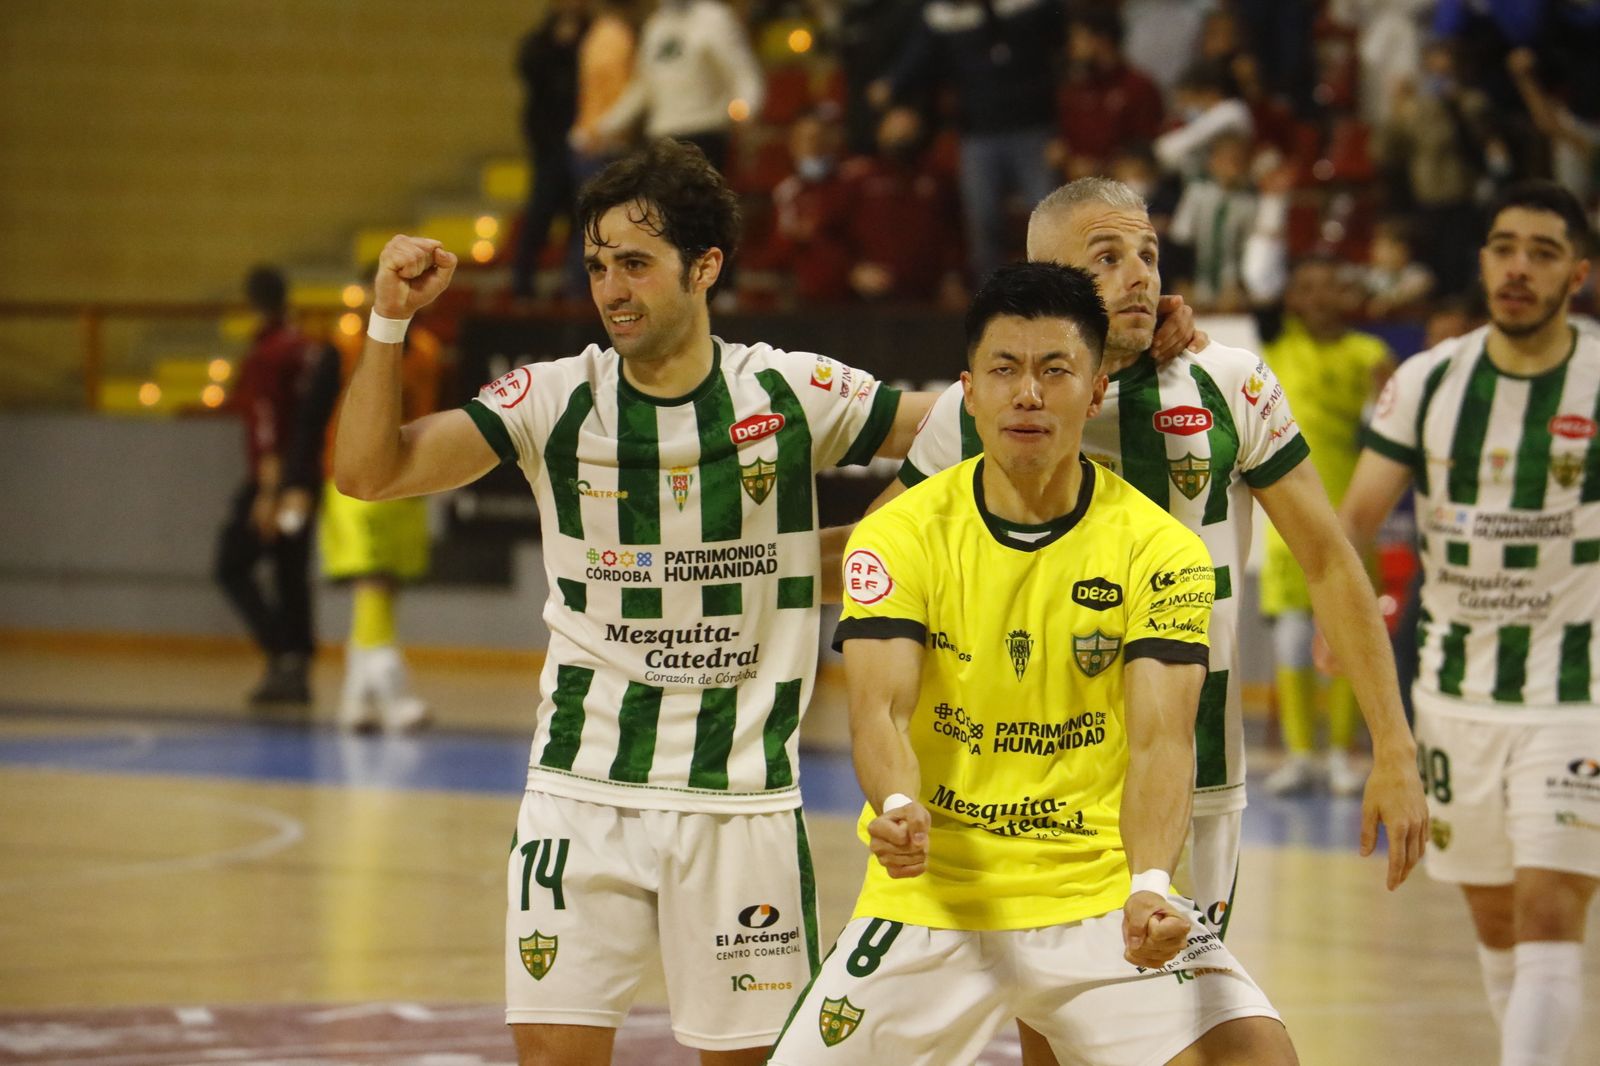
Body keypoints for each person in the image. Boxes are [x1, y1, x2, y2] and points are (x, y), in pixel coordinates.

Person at [332, 138, 931, 1066]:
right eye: (599, 265)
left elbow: (970, 427)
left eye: (637, 264)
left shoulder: (789, 388)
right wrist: (386, 322)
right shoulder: (553, 400)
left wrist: (869, 547)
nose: (612, 288)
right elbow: (369, 473)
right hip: (581, 793)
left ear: (705, 268)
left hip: (739, 802)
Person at [769, 261, 1298, 1065]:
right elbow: (879, 710)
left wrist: (1150, 884)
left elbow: (1163, 743)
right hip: (932, 895)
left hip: (1090, 895)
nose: (1028, 394)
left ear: (1093, 396)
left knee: (1254, 1054)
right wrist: (898, 800)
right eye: (1004, 370)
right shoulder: (898, 536)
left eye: (1055, 371)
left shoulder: (1162, 552)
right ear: (968, 391)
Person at [873, 179, 1427, 939]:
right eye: (1107, 258)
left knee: (1182, 1031)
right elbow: (877, 557)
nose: (1139, 276)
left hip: (1191, 768)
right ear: (1052, 279)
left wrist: (1393, 745)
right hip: (1019, 779)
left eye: (1148, 255)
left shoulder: (1227, 381)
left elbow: (1330, 560)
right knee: (1058, 1038)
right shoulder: (989, 404)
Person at [1340, 179, 1600, 1066]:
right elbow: (1352, 525)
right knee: (1496, 922)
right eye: (1503, 248)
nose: (1518, 268)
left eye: (1542, 252)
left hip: (1577, 691)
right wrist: (1351, 622)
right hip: (1453, 694)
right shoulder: (1429, 380)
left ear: (1579, 275)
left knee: (1550, 912)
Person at [1258, 256, 1395, 796]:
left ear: (1348, 293)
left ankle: (1342, 752)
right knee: (1292, 646)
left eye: (1328, 286)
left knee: (1346, 640)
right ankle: (1299, 755)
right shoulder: (1271, 351)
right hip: (1283, 526)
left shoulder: (1370, 355)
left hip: (1350, 519)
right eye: (1305, 288)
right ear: (1292, 299)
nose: (1317, 298)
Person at [307, 321, 444, 733]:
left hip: (407, 478)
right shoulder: (343, 347)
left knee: (385, 592)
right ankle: (394, 695)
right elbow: (313, 413)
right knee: (373, 581)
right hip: (352, 479)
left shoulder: (427, 351)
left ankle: (356, 699)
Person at [215, 265, 319, 706]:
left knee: (231, 563)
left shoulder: (266, 356)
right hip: (308, 482)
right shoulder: (308, 349)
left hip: (276, 482)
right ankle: (294, 664)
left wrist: (268, 492)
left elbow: (267, 426)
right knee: (291, 570)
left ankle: (283, 652)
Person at [511, 0, 588, 300]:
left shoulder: (592, 37)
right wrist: (561, 46)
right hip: (548, 145)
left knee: (579, 219)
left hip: (581, 142)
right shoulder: (540, 41)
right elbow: (530, 71)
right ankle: (522, 286)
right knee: (539, 215)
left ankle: (575, 289)